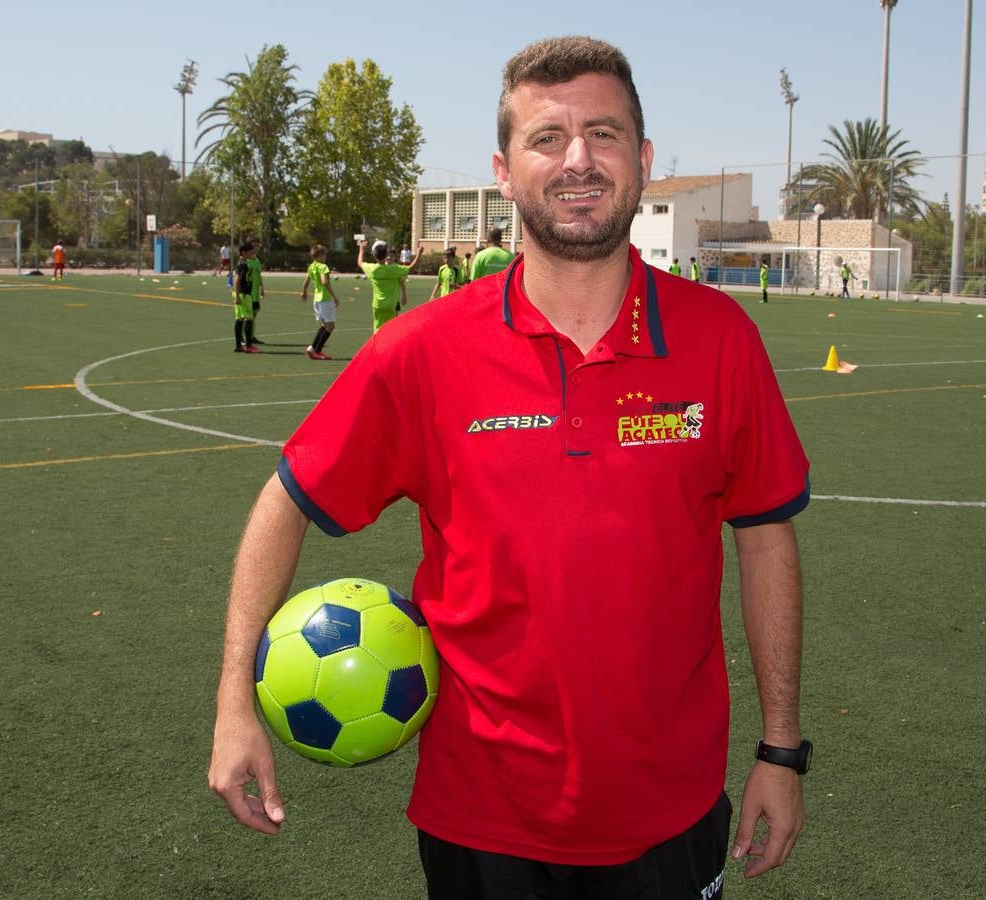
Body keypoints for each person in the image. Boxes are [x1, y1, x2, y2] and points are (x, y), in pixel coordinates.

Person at [209, 35, 811, 899]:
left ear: (641, 160)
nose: (578, 160)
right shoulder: (421, 352)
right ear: (504, 170)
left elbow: (765, 542)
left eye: (603, 134)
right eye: (546, 138)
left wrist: (780, 749)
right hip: (481, 822)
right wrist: (236, 702)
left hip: (671, 812)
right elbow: (286, 499)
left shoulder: (720, 341)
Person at [357, 238, 419, 332]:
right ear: (386, 255)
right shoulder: (393, 269)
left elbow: (360, 262)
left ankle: (377, 345)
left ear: (374, 255)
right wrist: (419, 253)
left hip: (378, 305)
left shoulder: (372, 269)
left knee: (377, 331)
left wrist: (361, 249)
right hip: (391, 306)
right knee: (390, 331)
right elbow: (411, 267)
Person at [299, 243, 338, 360]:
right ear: (320, 255)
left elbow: (306, 282)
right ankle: (318, 351)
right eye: (324, 255)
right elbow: (325, 282)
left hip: (316, 299)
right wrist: (334, 296)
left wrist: (304, 292)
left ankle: (312, 348)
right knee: (330, 326)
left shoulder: (311, 266)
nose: (325, 257)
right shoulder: (323, 267)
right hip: (325, 299)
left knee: (324, 325)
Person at [231, 241, 261, 353]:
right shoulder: (243, 265)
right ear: (244, 252)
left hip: (241, 294)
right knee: (249, 318)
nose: (252, 254)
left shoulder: (241, 262)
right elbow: (237, 280)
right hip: (244, 295)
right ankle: (249, 346)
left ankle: (239, 346)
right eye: (250, 252)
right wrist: (238, 296)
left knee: (239, 319)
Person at [245, 239, 267, 345]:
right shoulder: (246, 261)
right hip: (248, 292)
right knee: (247, 316)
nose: (256, 248)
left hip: (255, 293)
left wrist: (262, 287)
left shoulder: (257, 260)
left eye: (258, 246)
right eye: (254, 246)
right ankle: (244, 337)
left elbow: (259, 275)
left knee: (254, 314)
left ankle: (251, 335)